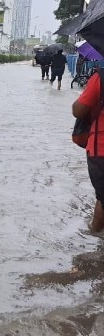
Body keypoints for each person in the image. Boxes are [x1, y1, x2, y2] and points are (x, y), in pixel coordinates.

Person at [72, 64, 104, 232]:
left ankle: (96, 239)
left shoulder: (100, 77)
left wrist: (85, 93)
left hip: (101, 149)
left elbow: (78, 110)